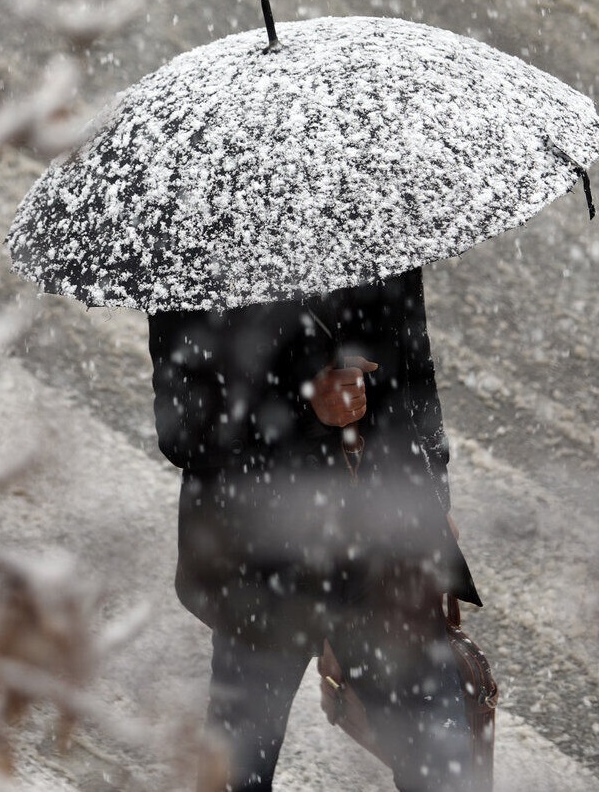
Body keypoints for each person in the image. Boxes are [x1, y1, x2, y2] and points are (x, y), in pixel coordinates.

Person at [148, 267, 482, 792]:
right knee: (238, 774)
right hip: (262, 563)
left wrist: (434, 491)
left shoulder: (374, 203)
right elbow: (183, 426)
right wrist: (306, 406)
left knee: (447, 773)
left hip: (384, 547)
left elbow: (413, 363)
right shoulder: (200, 244)